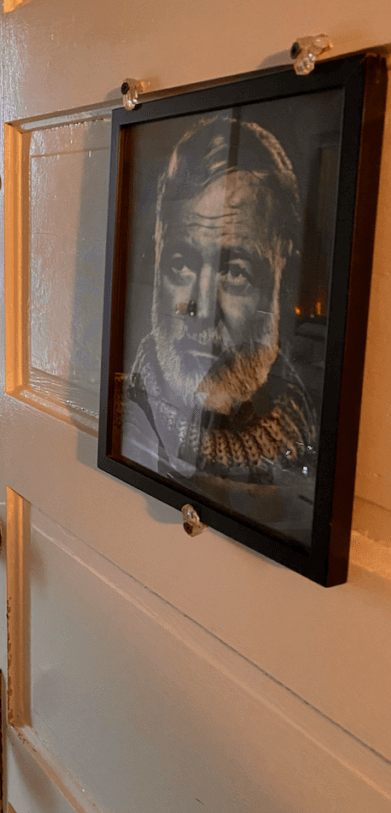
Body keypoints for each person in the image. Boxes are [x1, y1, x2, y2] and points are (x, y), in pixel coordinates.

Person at [121, 114, 316, 531]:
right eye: (181, 264)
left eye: (236, 271)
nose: (201, 307)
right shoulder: (123, 424)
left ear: (280, 283)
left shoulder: (308, 433)